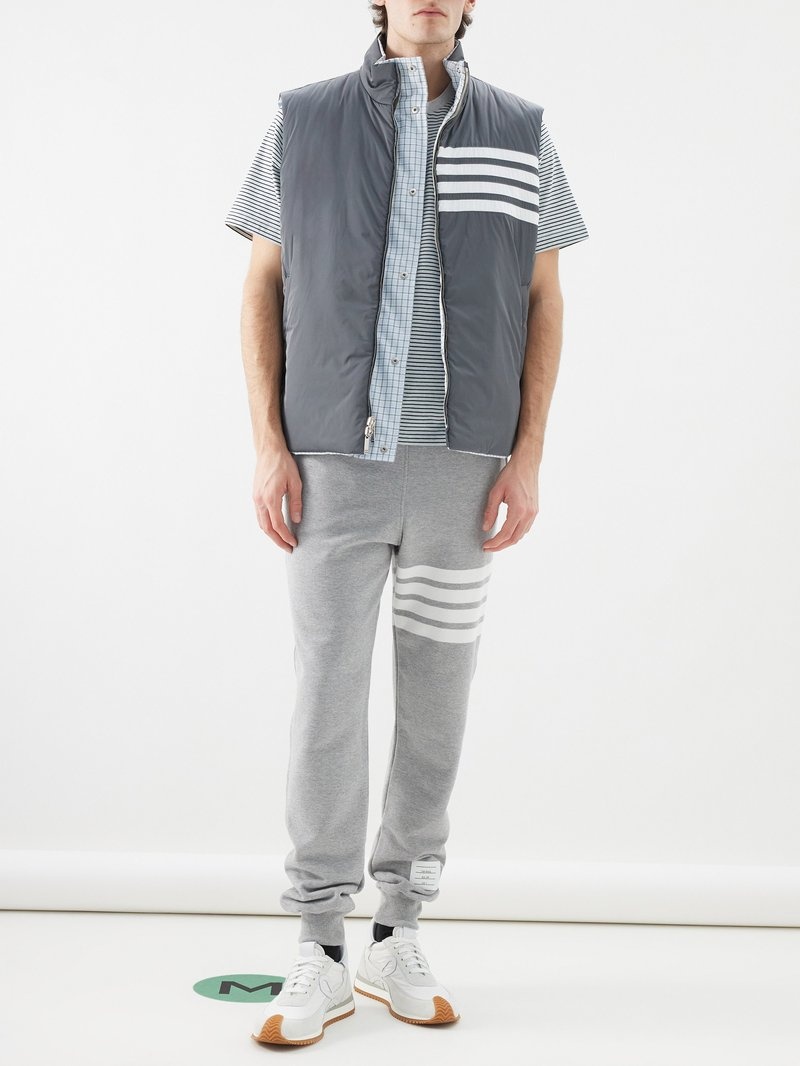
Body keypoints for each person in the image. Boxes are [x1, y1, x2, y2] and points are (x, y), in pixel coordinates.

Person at [225, 0, 588, 1047]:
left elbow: (545, 294)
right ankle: (319, 945)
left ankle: (397, 929)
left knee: (436, 707)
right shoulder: (302, 120)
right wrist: (268, 444)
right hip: (331, 468)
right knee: (326, 703)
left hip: (460, 475)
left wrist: (527, 454)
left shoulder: (520, 130)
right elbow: (261, 284)